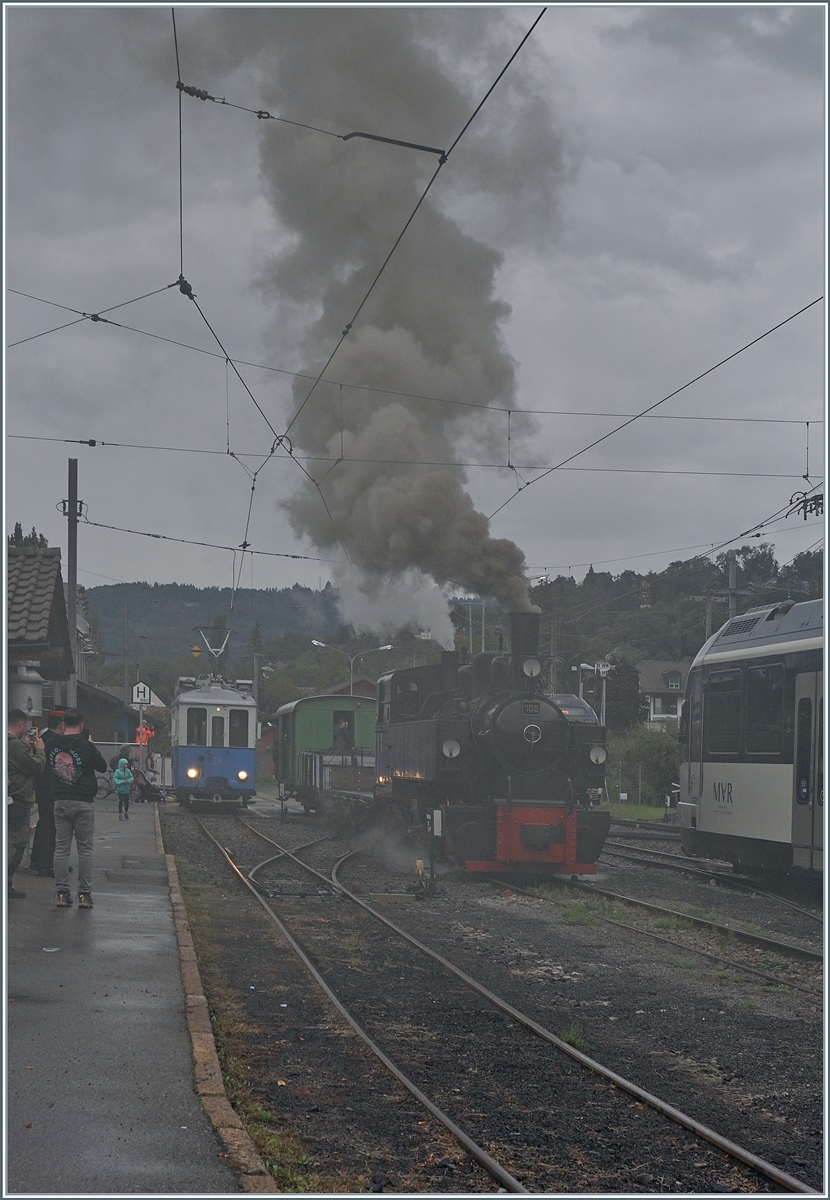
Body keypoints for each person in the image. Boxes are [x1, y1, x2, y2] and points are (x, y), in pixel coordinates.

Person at [44, 708, 107, 909]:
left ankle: (62, 894)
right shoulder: (85, 746)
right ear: (80, 726)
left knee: (61, 848)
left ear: (63, 725)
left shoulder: (51, 744)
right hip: (83, 802)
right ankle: (84, 895)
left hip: (60, 801)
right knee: (85, 849)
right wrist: (90, 745)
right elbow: (102, 766)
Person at [7, 709, 45, 899]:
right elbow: (35, 766)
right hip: (17, 799)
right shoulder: (14, 746)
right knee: (16, 841)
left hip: (8, 797)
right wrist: (39, 751)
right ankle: (5, 883)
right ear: (21, 725)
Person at [28, 712, 65, 875]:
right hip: (51, 788)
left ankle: (37, 860)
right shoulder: (54, 741)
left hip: (42, 788)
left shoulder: (43, 738)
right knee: (51, 826)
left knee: (44, 823)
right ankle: (46, 863)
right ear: (62, 725)